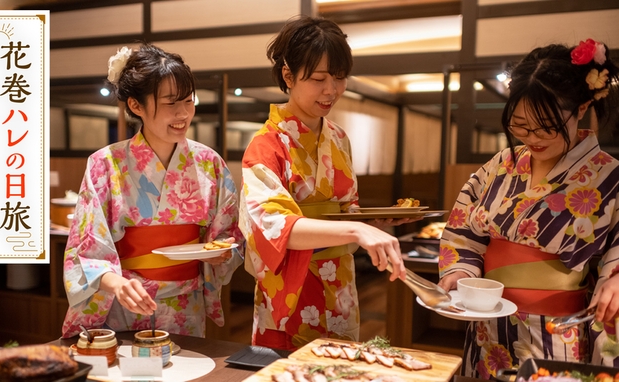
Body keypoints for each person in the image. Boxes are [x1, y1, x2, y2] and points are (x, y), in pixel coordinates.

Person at [437, 38, 619, 377]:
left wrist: (616, 280)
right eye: (520, 125)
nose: (532, 137)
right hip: (487, 324)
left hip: (555, 331)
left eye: (546, 126)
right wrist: (461, 272)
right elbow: (462, 230)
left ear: (580, 109)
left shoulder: (608, 176)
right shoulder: (500, 165)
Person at [239, 16, 411, 351]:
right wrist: (356, 231)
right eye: (318, 78)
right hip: (291, 290)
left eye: (340, 77)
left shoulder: (338, 138)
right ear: (288, 76)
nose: (331, 90)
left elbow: (346, 210)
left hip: (341, 282)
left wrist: (372, 221)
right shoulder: (267, 145)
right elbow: (273, 226)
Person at [61, 44, 244, 338]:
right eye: (171, 103)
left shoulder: (210, 163)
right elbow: (87, 249)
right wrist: (116, 284)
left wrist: (220, 252)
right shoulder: (104, 164)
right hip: (126, 301)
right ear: (136, 106)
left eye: (188, 100)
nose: (183, 113)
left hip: (187, 304)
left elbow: (229, 234)